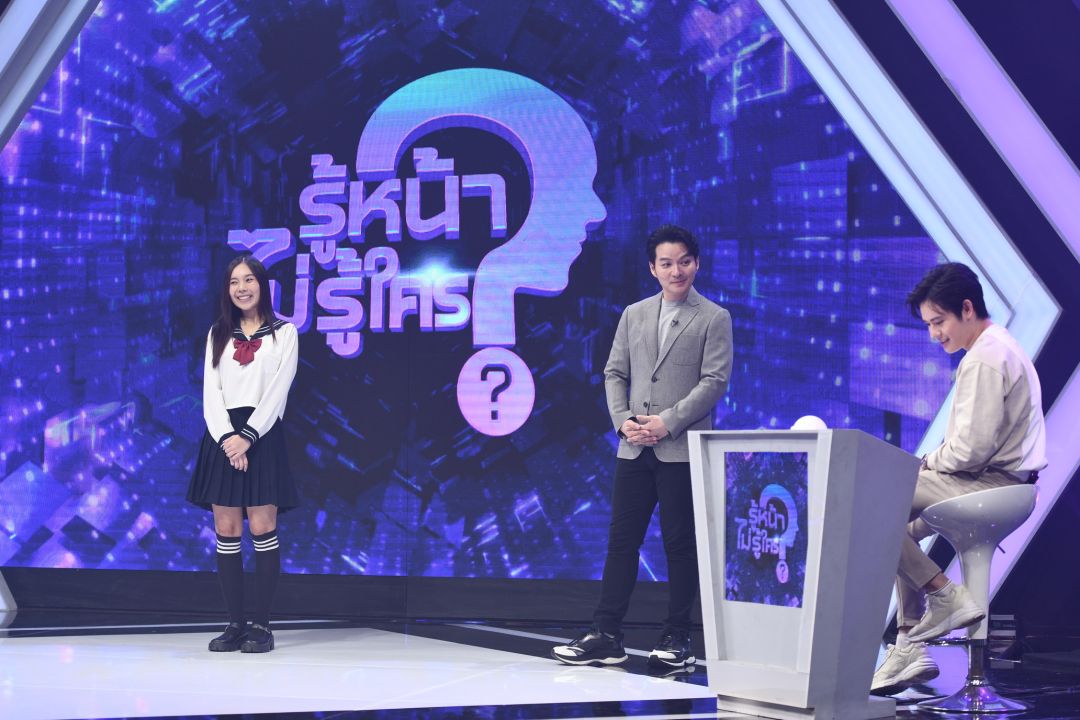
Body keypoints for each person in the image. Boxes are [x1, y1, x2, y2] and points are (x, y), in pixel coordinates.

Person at [552, 224, 733, 669]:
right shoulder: (634, 313)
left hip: (680, 449)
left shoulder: (714, 317)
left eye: (684, 261)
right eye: (666, 263)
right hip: (633, 448)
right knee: (621, 543)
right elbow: (614, 373)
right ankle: (606, 633)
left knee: (680, 545)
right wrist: (623, 422)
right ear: (653, 268)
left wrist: (666, 422)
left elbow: (714, 382)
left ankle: (678, 636)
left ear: (697, 263)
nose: (677, 271)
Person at [872, 262, 1047, 694]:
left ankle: (944, 596)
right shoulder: (997, 347)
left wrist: (926, 461)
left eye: (939, 321)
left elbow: (970, 451)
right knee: (896, 525)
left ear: (967, 308)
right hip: (1003, 482)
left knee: (871, 503)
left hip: (990, 483)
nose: (934, 334)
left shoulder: (984, 358)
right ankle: (909, 642)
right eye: (929, 325)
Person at [187, 255, 300, 653]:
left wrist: (248, 436)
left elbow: (279, 390)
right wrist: (227, 439)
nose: (241, 288)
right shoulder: (217, 333)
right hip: (222, 437)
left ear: (262, 285)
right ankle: (235, 623)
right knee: (227, 529)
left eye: (249, 280)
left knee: (262, 526)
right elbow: (210, 392)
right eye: (234, 282)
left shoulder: (285, 333)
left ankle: (261, 626)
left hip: (262, 435)